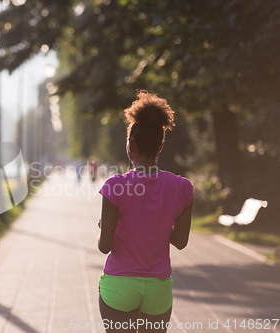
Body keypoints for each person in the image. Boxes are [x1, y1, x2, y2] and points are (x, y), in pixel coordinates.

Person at [97, 91, 193, 333]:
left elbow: (104, 246)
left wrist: (102, 228)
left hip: (119, 286)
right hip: (158, 289)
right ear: (160, 146)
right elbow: (180, 241)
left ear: (130, 146)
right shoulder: (182, 188)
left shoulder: (114, 187)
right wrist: (157, 226)